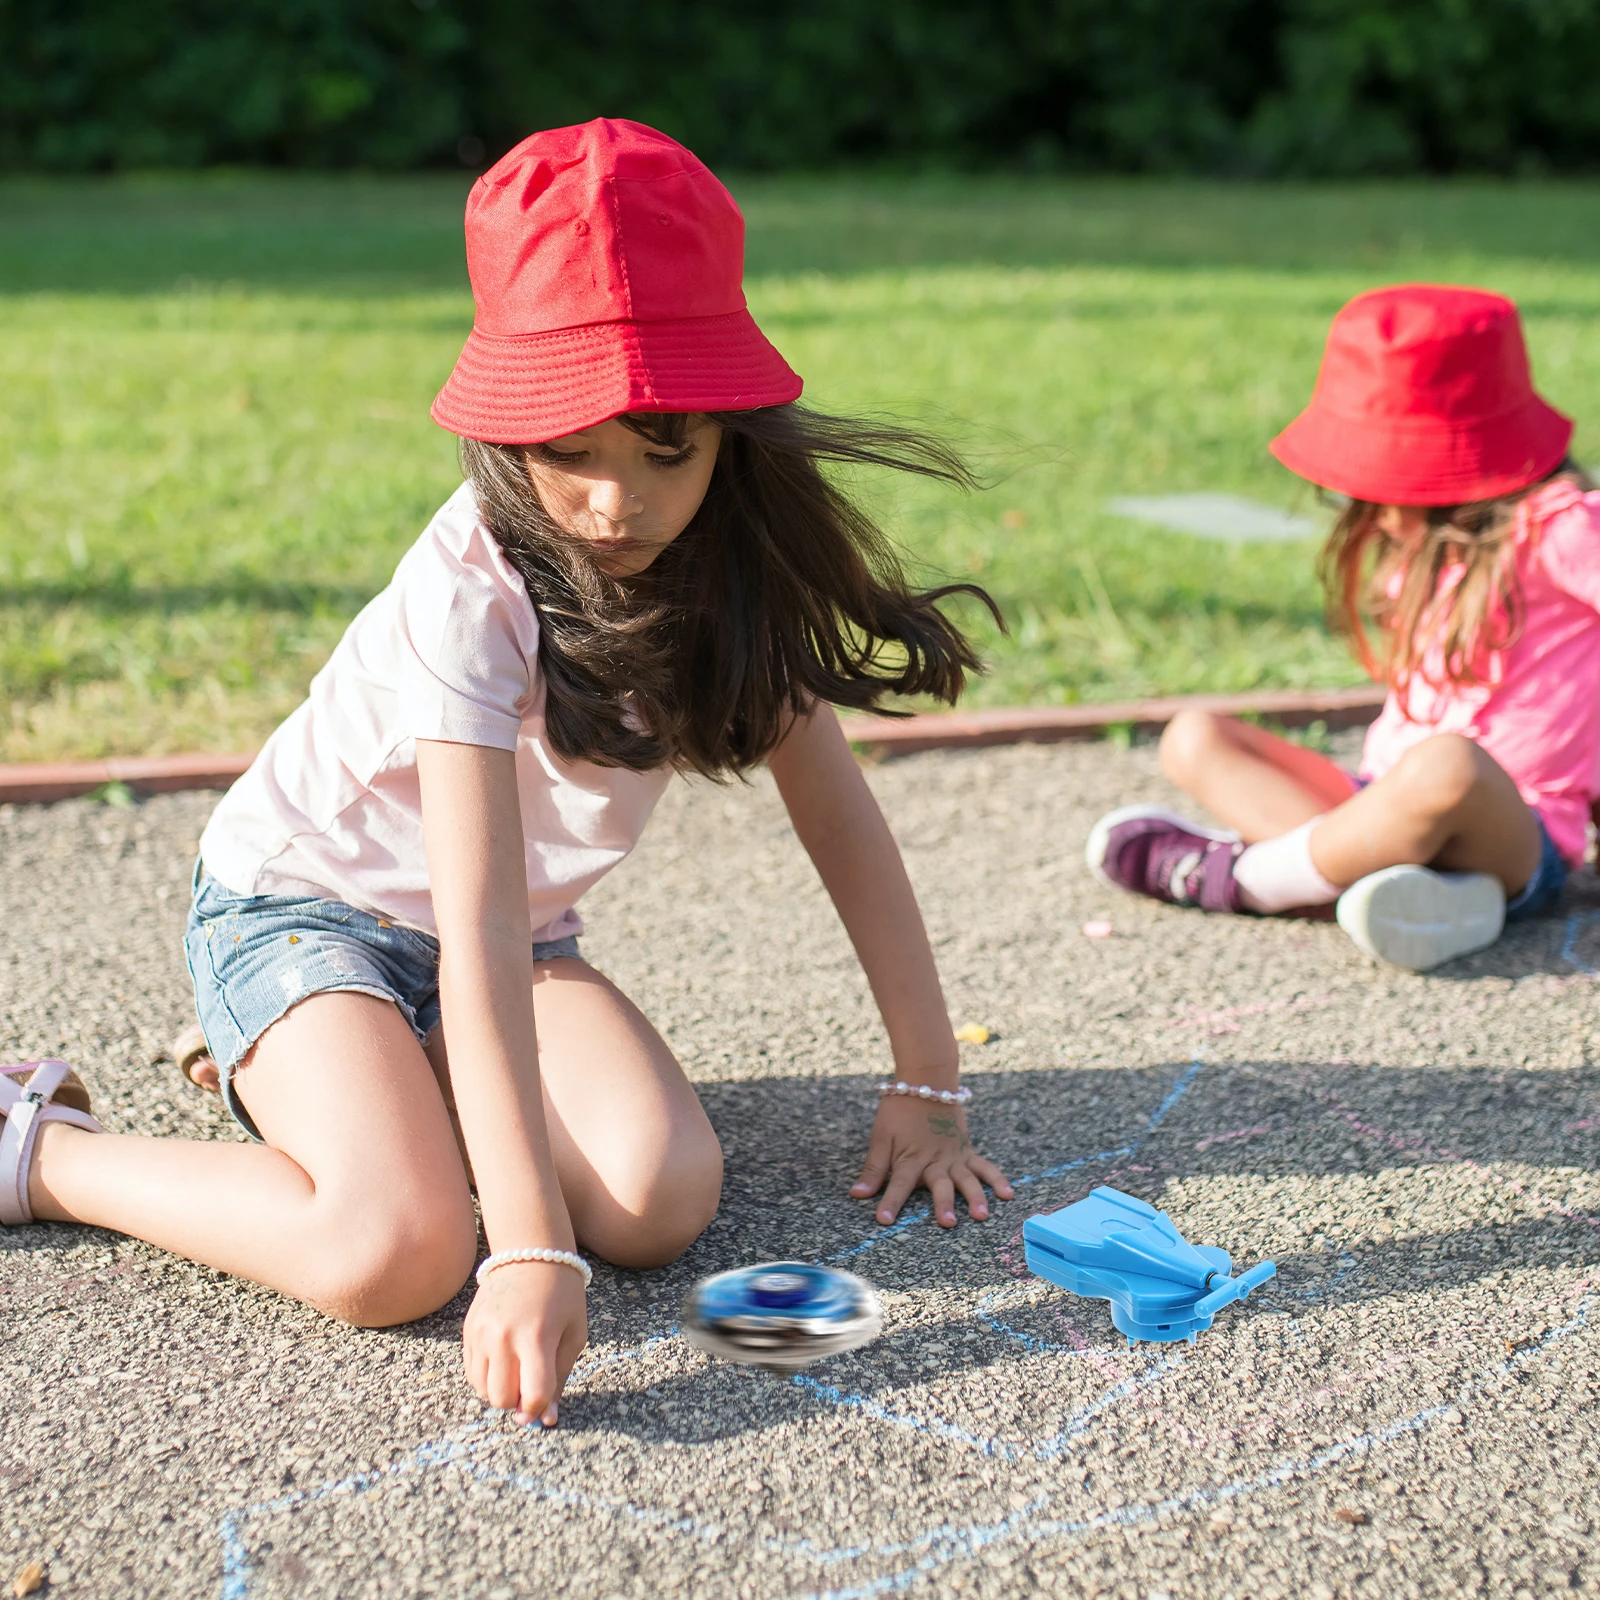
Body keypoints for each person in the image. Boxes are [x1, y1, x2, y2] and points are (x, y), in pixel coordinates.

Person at [0, 120, 1012, 1426]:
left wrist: (929, 1083)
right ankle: (46, 1152)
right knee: (396, 1254)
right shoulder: (471, 584)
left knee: (658, 1203)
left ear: (728, 433)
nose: (613, 503)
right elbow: (465, 926)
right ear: (503, 430)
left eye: (666, 451)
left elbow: (842, 825)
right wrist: (529, 1249)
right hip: (306, 916)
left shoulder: (731, 573)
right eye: (568, 449)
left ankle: (355, 1088)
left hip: (516, 943)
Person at [1087, 284, 1597, 972]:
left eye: (1390, 483)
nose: (1373, 509)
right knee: (1194, 736)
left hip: (1512, 832)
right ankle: (1420, 899)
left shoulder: (1564, 527)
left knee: (1451, 764)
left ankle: (1248, 880)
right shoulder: (1426, 543)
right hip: (1379, 801)